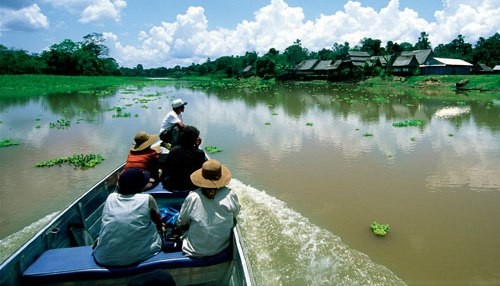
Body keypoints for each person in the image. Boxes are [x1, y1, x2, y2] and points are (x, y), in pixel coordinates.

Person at [93, 168, 164, 266]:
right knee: (157, 231)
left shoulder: (111, 198)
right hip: (136, 256)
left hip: (104, 257)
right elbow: (158, 221)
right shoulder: (147, 199)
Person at [177, 160, 240, 257]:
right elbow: (235, 213)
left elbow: (182, 221)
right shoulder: (230, 195)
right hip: (222, 248)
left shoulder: (193, 197)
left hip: (194, 249)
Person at [161, 125, 207, 191]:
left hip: (173, 184)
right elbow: (200, 170)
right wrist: (196, 147)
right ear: (195, 140)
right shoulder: (199, 153)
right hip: (190, 185)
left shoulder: (174, 150)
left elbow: (167, 167)